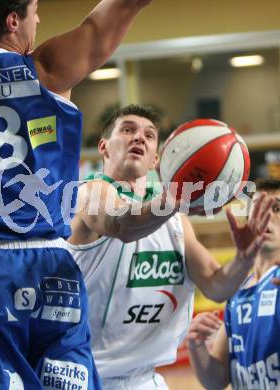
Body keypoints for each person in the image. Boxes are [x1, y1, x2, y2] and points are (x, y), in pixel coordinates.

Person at [0, 1, 156, 388]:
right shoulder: (49, 68)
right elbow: (112, 16)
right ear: (12, 20)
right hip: (53, 268)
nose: (39, 18)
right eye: (34, 10)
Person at [67, 104, 274, 390]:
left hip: (146, 379)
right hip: (83, 377)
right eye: (127, 130)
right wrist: (180, 193)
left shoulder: (175, 222)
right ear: (104, 147)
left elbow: (216, 287)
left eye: (149, 135)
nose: (139, 137)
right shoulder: (89, 194)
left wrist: (244, 258)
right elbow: (123, 224)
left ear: (156, 160)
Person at [186, 179, 280, 390]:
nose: (266, 216)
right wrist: (196, 345)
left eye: (277, 208)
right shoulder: (237, 290)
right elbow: (217, 380)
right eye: (259, 208)